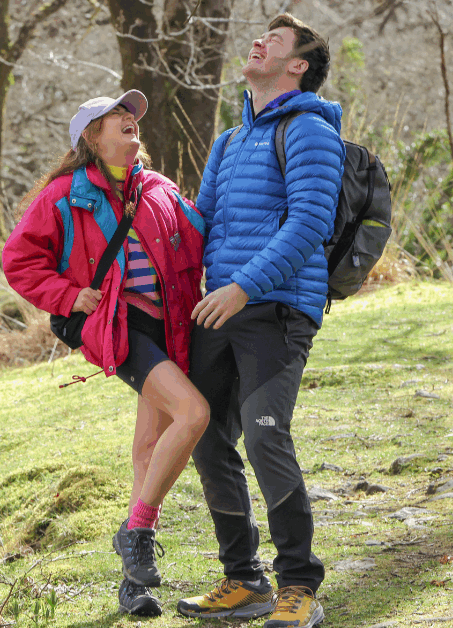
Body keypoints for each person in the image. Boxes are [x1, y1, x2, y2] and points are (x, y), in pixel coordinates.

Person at [2, 90, 209, 617]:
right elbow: (19, 260)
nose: (128, 121)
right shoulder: (65, 195)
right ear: (91, 138)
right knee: (192, 413)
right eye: (115, 118)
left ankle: (134, 585)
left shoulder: (160, 189)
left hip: (170, 324)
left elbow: (202, 240)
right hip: (121, 325)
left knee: (149, 447)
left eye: (130, 116)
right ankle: (137, 531)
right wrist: (68, 296)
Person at [175, 14, 345, 628]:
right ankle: (244, 581)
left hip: (276, 309)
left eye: (273, 40)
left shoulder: (310, 131)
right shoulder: (229, 140)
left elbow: (310, 224)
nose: (257, 42)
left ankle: (299, 585)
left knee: (265, 434)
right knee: (203, 433)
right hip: (218, 308)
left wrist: (244, 287)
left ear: (297, 64)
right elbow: (199, 225)